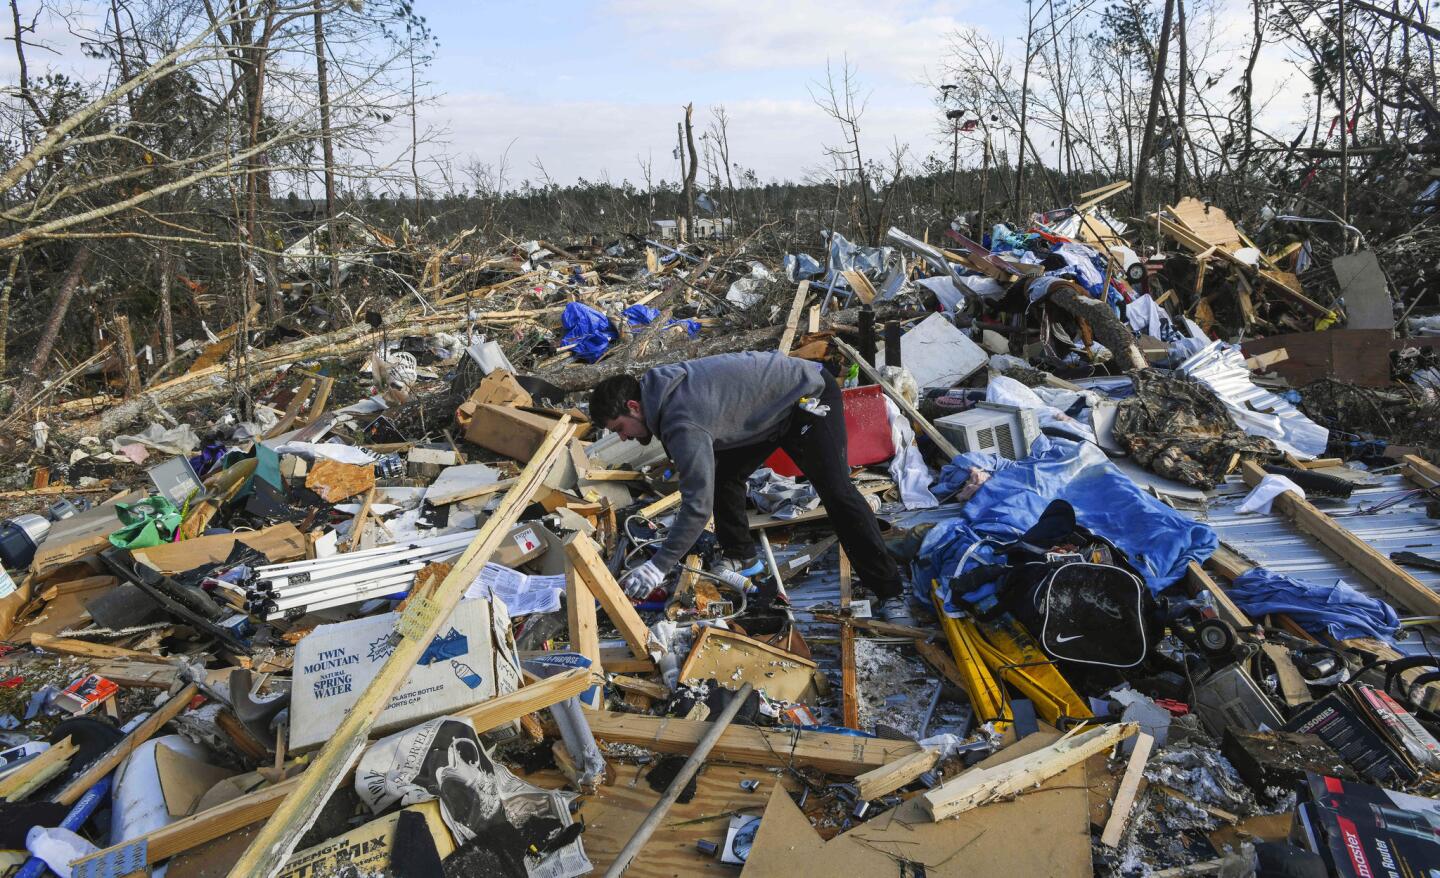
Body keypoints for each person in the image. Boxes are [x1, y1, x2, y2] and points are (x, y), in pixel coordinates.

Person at [588, 351, 913, 625]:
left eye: (620, 428)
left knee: (837, 494)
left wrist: (658, 566)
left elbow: (696, 507)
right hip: (770, 411)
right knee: (725, 476)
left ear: (633, 406)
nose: (624, 438)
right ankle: (743, 559)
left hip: (806, 396)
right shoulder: (659, 389)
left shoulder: (681, 421)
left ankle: (891, 592)